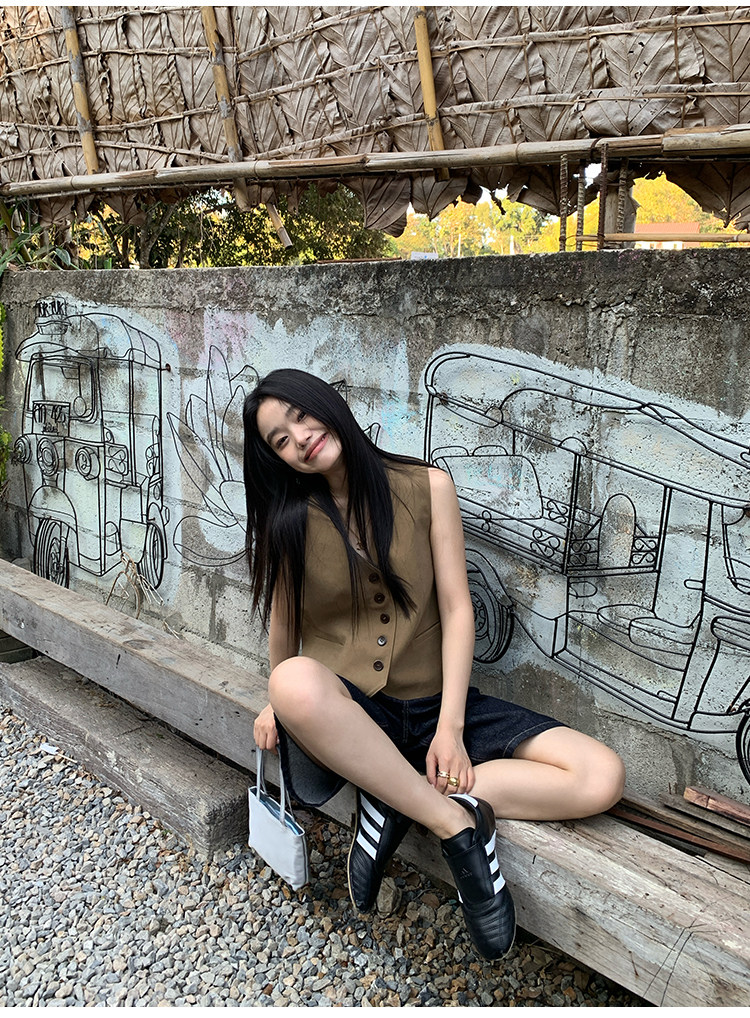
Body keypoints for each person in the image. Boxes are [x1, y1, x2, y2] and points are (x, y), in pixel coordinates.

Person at [243, 368, 625, 960]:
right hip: (355, 713)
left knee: (601, 776)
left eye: (300, 416)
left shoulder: (428, 485)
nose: (300, 438)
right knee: (290, 680)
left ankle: (396, 796)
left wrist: (449, 727)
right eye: (280, 440)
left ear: (326, 403)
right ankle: (457, 827)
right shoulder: (289, 519)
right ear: (278, 459)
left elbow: (456, 607)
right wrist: (276, 703)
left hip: (436, 707)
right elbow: (284, 625)